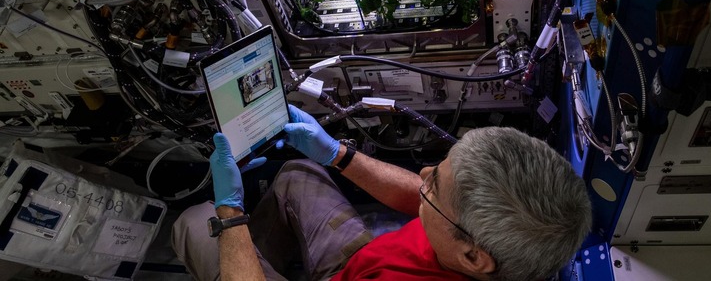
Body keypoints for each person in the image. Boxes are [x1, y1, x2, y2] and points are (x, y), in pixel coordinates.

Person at [172, 105, 592, 281]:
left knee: (195, 222)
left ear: (473, 257)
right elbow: (426, 200)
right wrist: (337, 154)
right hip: (364, 262)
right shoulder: (486, 236)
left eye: (434, 184)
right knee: (297, 172)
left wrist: (231, 213)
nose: (423, 174)